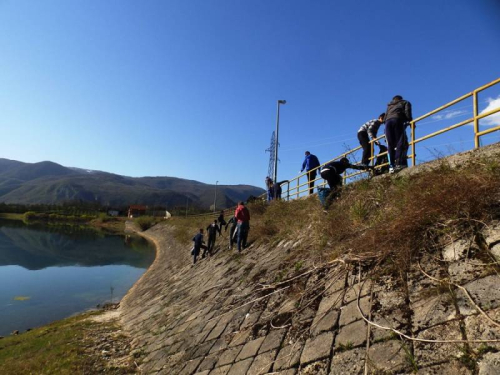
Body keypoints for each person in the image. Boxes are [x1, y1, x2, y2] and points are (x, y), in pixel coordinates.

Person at [384, 95, 413, 173]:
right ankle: (399, 164)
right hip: (397, 120)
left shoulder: (389, 106)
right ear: (401, 99)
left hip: (387, 123)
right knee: (400, 141)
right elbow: (408, 112)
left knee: (390, 145)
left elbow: (385, 117)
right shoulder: (405, 102)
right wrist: (410, 121)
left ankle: (391, 166)